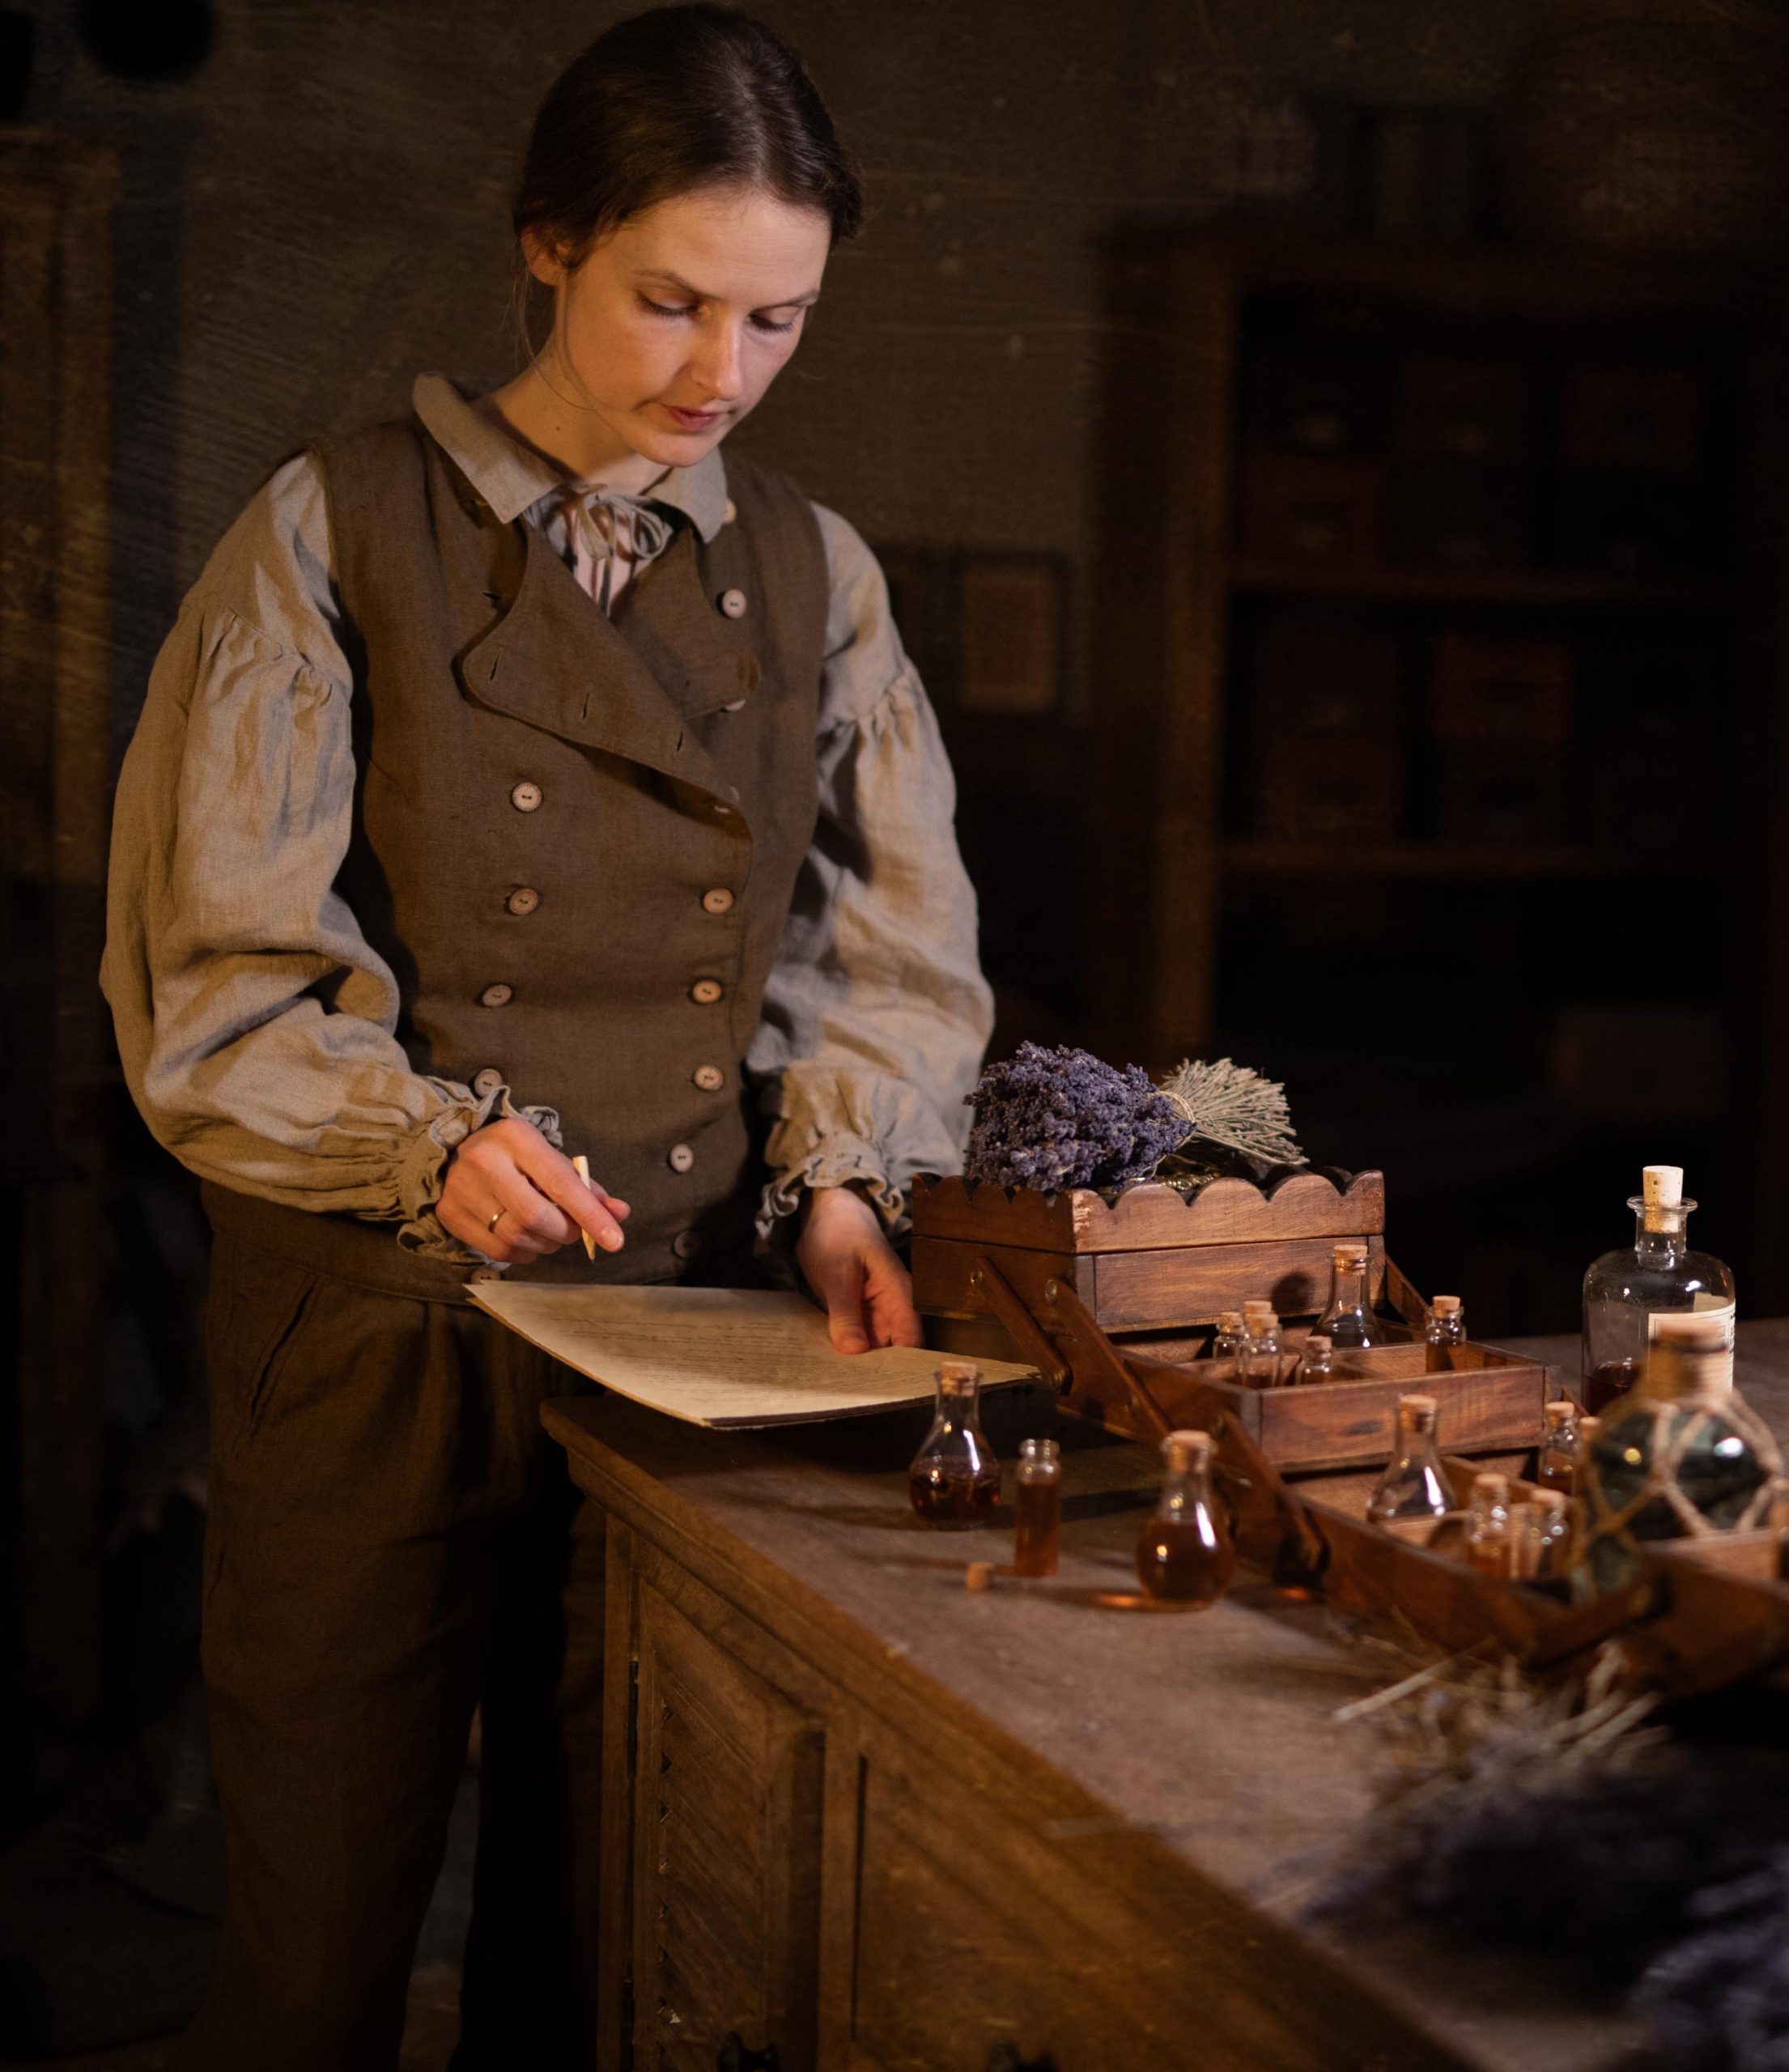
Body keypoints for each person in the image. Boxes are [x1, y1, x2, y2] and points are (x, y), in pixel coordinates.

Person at [100, 9, 992, 2066]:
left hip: (682, 1340)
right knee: (319, 1953)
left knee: (608, 1950)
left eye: (776, 321)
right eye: (670, 300)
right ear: (543, 246)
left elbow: (890, 948)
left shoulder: (817, 575)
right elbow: (220, 976)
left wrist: (845, 1180)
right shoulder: (328, 529)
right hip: (375, 1331)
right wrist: (420, 1145)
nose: (718, 374)